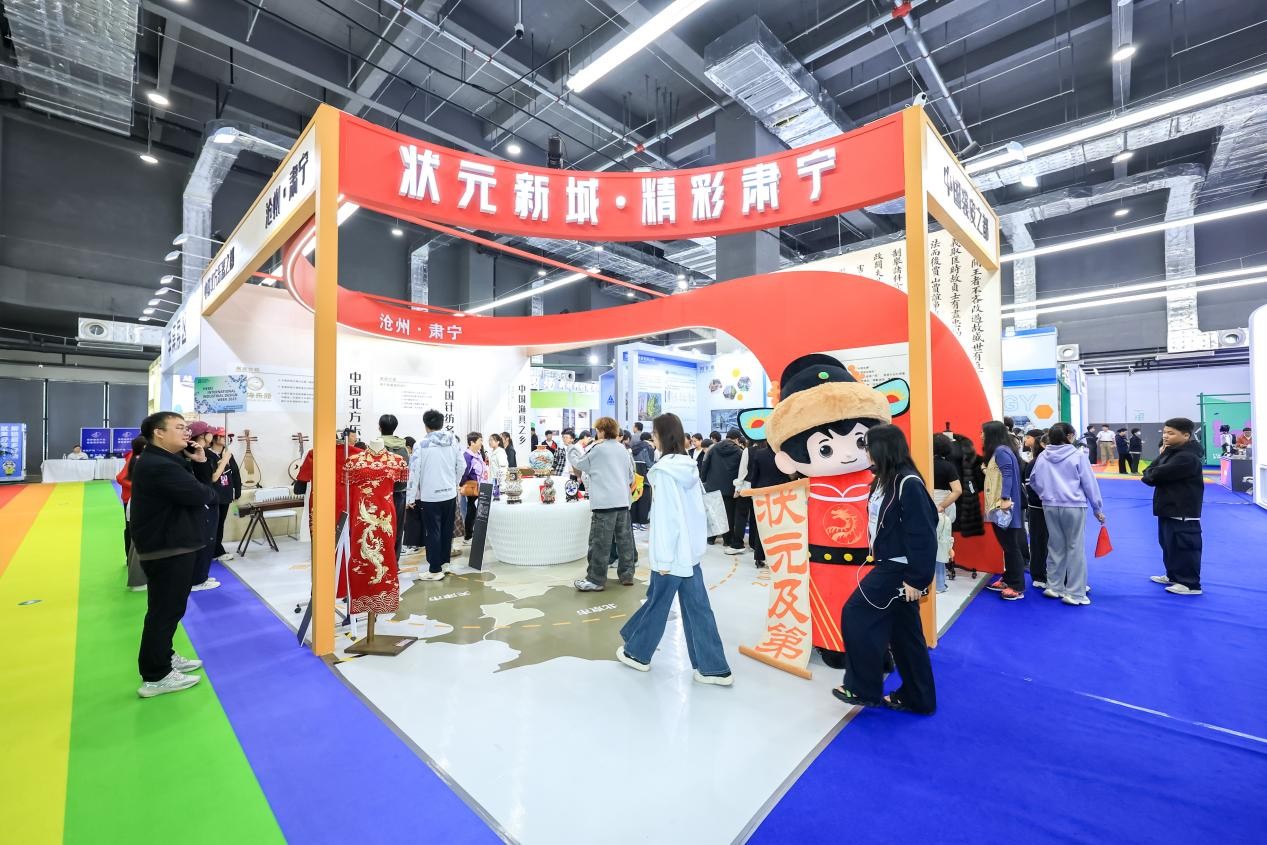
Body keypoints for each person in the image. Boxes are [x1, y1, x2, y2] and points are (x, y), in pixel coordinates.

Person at [616, 412, 734, 686]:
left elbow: (668, 519)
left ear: (662, 436)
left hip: (672, 555)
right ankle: (714, 667)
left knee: (658, 603)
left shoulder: (665, 472)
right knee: (696, 608)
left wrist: (664, 558)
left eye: (655, 434)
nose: (653, 439)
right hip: (689, 552)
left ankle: (637, 653)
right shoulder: (688, 466)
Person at [834, 424, 937, 714]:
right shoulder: (884, 480)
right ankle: (919, 697)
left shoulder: (908, 483)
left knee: (855, 613)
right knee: (906, 636)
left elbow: (923, 534)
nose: (865, 453)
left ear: (882, 448)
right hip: (890, 564)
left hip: (899, 569)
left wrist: (917, 579)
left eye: (867, 447)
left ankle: (862, 687)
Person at [130, 411, 220, 698]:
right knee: (165, 611)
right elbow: (204, 495)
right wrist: (202, 473)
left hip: (173, 544)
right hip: (168, 547)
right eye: (179, 427)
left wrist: (199, 462)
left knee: (169, 608)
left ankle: (164, 656)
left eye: (186, 428)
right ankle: (156, 675)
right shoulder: (159, 466)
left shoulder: (167, 461)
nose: (186, 432)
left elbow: (202, 492)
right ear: (158, 432)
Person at [1029, 422, 1105, 606]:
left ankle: (1054, 587)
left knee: (1055, 546)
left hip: (1049, 505)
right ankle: (1076, 593)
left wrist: (1045, 495)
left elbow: (1034, 480)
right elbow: (1089, 483)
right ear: (1070, 436)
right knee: (1075, 547)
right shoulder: (1078, 455)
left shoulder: (1043, 456)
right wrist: (1097, 508)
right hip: (1073, 505)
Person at [569, 417, 637, 591]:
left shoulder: (597, 449)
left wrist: (573, 448)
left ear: (601, 431)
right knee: (625, 542)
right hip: (623, 502)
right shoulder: (623, 449)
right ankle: (627, 575)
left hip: (604, 504)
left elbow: (579, 463)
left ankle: (596, 579)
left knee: (600, 542)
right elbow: (631, 476)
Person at [1142, 418, 1204, 596]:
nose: (1166, 436)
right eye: (1164, 432)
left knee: (1184, 547)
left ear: (1186, 435)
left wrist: (1160, 458)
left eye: (1171, 433)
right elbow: (1150, 472)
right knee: (1169, 545)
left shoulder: (1186, 457)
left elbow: (1151, 476)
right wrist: (1162, 455)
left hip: (1182, 510)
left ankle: (1190, 584)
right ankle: (1174, 575)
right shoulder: (1173, 452)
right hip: (1169, 508)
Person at [407, 410, 465, 581]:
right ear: (441, 423)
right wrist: (454, 482)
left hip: (430, 496)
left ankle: (434, 570)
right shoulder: (453, 441)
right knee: (447, 530)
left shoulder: (421, 444)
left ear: (426, 426)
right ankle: (445, 564)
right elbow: (462, 465)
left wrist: (410, 497)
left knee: (432, 532)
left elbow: (414, 472)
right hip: (449, 494)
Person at [187, 421, 233, 592]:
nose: (212, 436)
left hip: (210, 499)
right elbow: (211, 478)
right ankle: (198, 579)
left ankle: (201, 575)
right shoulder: (199, 453)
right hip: (206, 501)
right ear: (202, 435)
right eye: (210, 433)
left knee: (210, 538)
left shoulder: (200, 452)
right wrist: (225, 460)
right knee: (205, 540)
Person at [983, 420, 1026, 599]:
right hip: (999, 505)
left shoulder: (1001, 451)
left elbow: (1007, 474)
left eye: (984, 432)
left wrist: (1005, 498)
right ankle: (1009, 578)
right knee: (1007, 546)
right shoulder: (1002, 450)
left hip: (1004, 506)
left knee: (1011, 546)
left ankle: (1017, 586)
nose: (981, 436)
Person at [743, 439, 789, 568]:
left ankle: (759, 558)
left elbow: (754, 475)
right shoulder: (784, 455)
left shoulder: (759, 453)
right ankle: (777, 556)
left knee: (762, 525)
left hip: (762, 493)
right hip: (780, 493)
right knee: (779, 525)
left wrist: (754, 491)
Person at [701, 428, 744, 546]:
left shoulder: (713, 448)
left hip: (713, 486)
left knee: (713, 513)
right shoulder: (739, 451)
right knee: (729, 515)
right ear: (737, 439)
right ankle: (727, 540)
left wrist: (704, 480)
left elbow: (705, 465)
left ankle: (711, 539)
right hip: (730, 488)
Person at [932, 434, 963, 593]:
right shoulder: (948, 466)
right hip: (943, 508)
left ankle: (929, 583)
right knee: (942, 544)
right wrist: (942, 505)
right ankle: (939, 583)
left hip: (926, 506)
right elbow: (957, 490)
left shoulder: (922, 464)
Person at [117, 436, 149, 592]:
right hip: (133, 499)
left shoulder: (139, 456)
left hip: (134, 498)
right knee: (133, 533)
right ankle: (132, 566)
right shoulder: (135, 457)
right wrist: (138, 486)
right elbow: (121, 477)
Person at [378, 414, 412, 558]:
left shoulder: (376, 445)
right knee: (397, 527)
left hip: (381, 493)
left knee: (379, 527)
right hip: (400, 492)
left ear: (379, 427)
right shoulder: (403, 447)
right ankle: (394, 561)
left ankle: (382, 559)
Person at [207, 429, 242, 563]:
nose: (226, 439)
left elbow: (235, 472)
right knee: (214, 524)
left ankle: (217, 549)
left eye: (228, 437)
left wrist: (237, 490)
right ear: (215, 438)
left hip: (225, 494)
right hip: (213, 494)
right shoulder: (208, 454)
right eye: (223, 436)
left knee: (220, 523)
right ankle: (215, 550)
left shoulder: (228, 454)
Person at [1020, 429, 1049, 589]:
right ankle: (1039, 575)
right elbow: (1031, 487)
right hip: (1037, 508)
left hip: (1053, 507)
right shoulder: (1035, 463)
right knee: (1039, 542)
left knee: (1057, 543)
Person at [950, 433, 985, 540]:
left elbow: (977, 463)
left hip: (963, 492)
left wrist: (974, 487)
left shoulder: (964, 445)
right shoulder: (933, 445)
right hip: (940, 490)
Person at [725, 436, 753, 556]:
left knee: (741, 516)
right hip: (761, 489)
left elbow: (742, 472)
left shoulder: (748, 451)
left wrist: (737, 488)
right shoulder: (770, 449)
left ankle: (737, 544)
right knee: (756, 517)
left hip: (746, 488)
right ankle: (754, 544)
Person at [459, 433, 488, 546]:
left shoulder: (478, 454)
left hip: (481, 486)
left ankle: (474, 534)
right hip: (473, 488)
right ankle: (468, 537)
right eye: (480, 440)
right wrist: (461, 485)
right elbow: (464, 473)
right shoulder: (467, 456)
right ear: (472, 442)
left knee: (476, 511)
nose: (481, 443)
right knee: (471, 511)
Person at [630, 432, 656, 530]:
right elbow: (649, 464)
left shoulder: (633, 447)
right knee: (644, 500)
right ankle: (642, 522)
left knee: (635, 498)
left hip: (634, 477)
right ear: (649, 439)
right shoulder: (648, 448)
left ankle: (634, 522)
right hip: (644, 477)